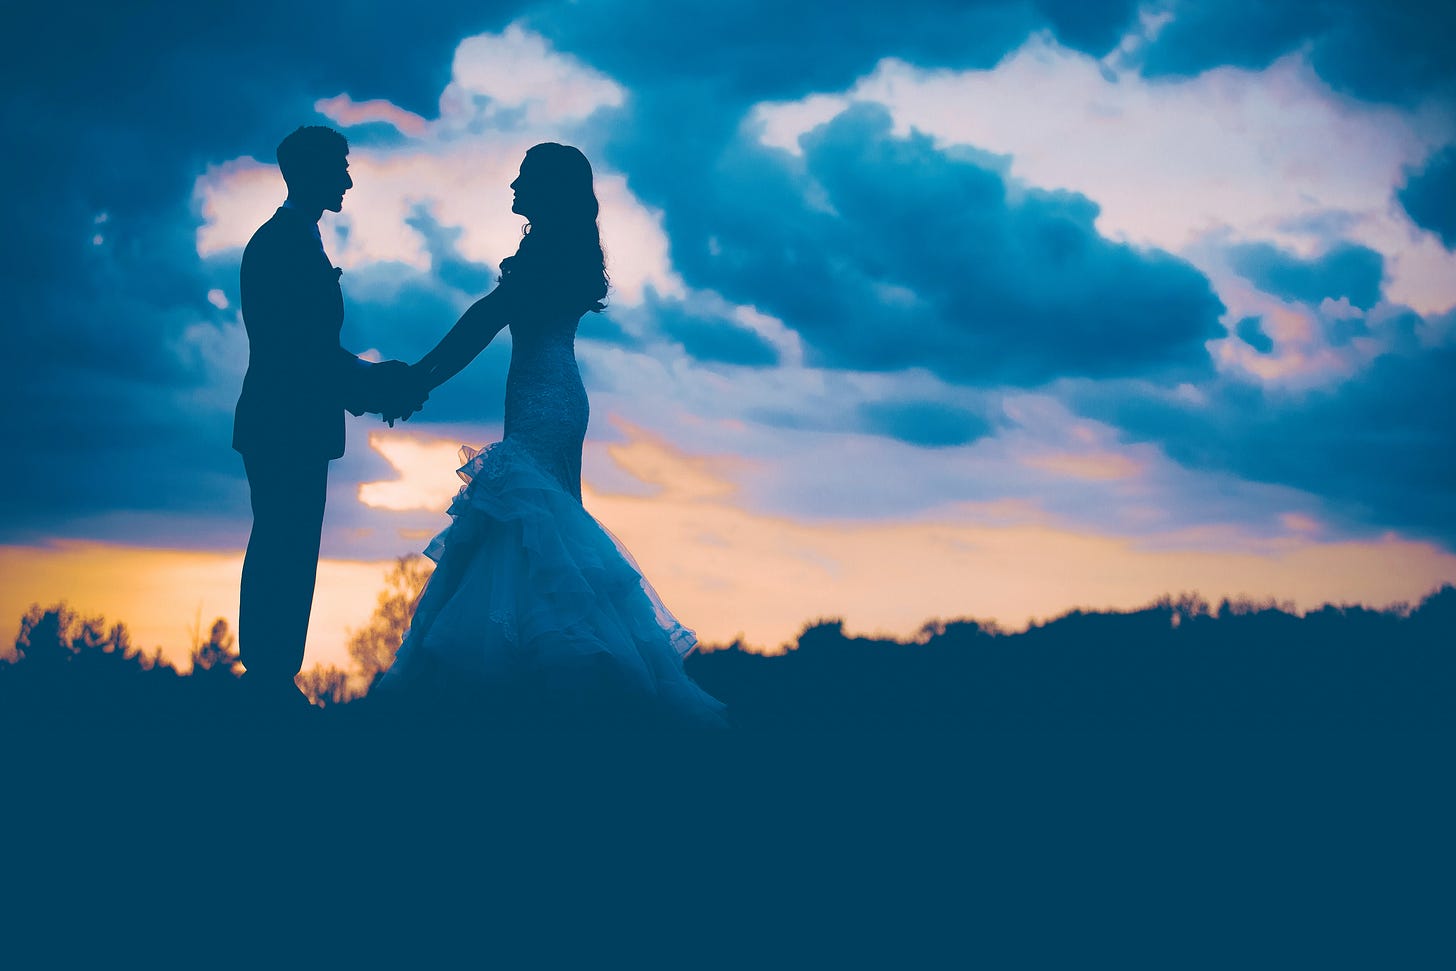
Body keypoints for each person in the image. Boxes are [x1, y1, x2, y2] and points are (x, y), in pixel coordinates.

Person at [375, 143, 727, 730]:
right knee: (541, 528)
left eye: (523, 179)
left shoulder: (541, 256)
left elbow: (482, 322)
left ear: (546, 189)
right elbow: (486, 321)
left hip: (542, 400)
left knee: (525, 523)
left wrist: (418, 379)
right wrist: (422, 379)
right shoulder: (561, 252)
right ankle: (544, 687)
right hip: (560, 395)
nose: (512, 187)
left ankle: (528, 689)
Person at [234, 125, 425, 716]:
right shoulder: (281, 244)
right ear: (309, 171)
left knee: (290, 546)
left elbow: (310, 349)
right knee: (283, 547)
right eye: (339, 167)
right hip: (283, 422)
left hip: (292, 421)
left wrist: (373, 380)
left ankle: (273, 675)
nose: (347, 179)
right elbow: (300, 351)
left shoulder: (294, 241)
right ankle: (268, 678)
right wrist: (378, 381)